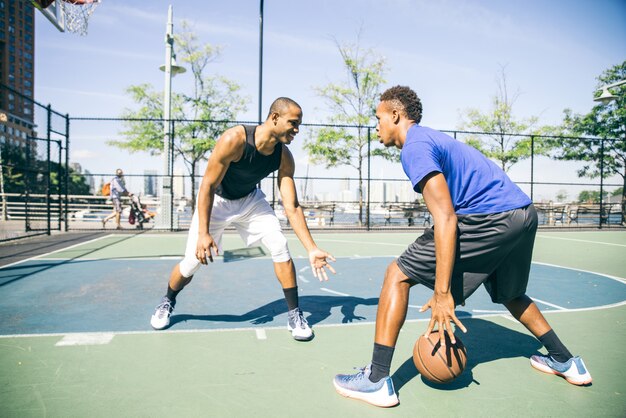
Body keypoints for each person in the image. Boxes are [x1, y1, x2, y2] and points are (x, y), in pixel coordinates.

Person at [333, 86, 592, 407]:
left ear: (396, 115)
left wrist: (443, 293)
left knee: (396, 274)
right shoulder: (434, 139)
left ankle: (375, 380)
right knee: (511, 294)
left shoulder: (414, 147)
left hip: (490, 217)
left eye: (378, 118)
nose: (376, 126)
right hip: (523, 214)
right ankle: (566, 360)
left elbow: (446, 218)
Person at [150, 97, 336, 341]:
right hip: (217, 201)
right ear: (275, 118)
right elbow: (207, 185)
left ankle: (294, 315)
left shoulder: (283, 156)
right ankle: (167, 300)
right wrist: (204, 234)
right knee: (191, 263)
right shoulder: (235, 139)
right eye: (293, 123)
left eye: (299, 124)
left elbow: (291, 205)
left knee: (280, 244)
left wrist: (311, 248)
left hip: (250, 201)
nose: (297, 130)